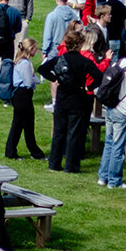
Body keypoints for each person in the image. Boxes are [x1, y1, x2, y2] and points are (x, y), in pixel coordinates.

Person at [46, 27, 100, 173]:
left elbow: (42, 68)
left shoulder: (60, 59)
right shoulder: (84, 62)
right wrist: (89, 87)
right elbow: (99, 76)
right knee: (73, 134)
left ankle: (54, 163)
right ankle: (71, 166)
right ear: (81, 44)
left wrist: (55, 78)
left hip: (62, 97)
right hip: (78, 97)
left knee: (59, 132)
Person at [98, 41, 126, 189]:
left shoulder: (120, 62)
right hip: (123, 111)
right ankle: (114, 180)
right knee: (118, 146)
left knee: (109, 144)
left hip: (111, 107)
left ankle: (103, 176)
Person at [4, 38, 45, 160]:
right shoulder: (25, 64)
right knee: (22, 126)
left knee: (23, 125)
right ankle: (20, 152)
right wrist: (32, 75)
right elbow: (29, 83)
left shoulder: (21, 62)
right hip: (23, 95)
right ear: (31, 49)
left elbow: (34, 80)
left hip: (21, 96)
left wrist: (33, 77)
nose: (36, 51)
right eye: (35, 48)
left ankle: (30, 151)